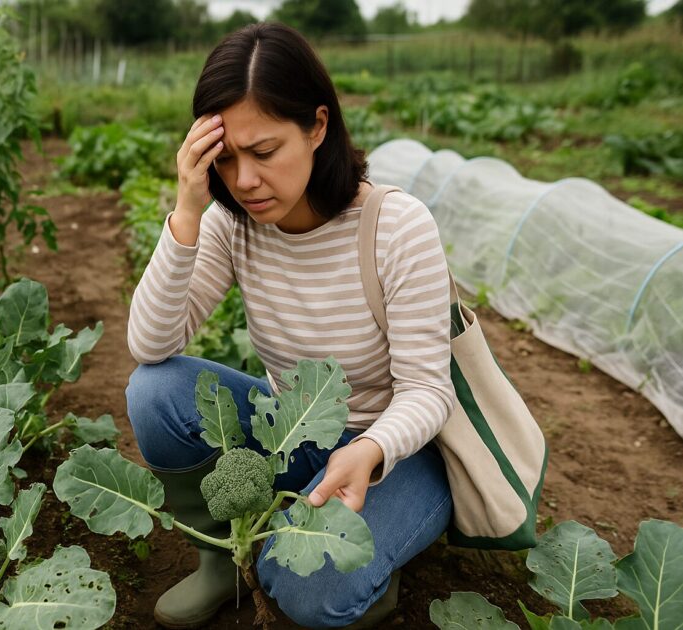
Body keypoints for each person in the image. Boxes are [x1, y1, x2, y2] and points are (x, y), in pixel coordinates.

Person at [125, 22, 455, 630]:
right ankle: (222, 562)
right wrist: (187, 210)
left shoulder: (396, 227)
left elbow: (429, 391)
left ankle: (375, 567)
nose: (245, 179)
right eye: (224, 158)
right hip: (293, 431)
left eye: (265, 152)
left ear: (317, 128)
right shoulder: (232, 223)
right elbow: (150, 344)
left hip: (397, 452)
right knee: (153, 391)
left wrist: (370, 449)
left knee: (304, 591)